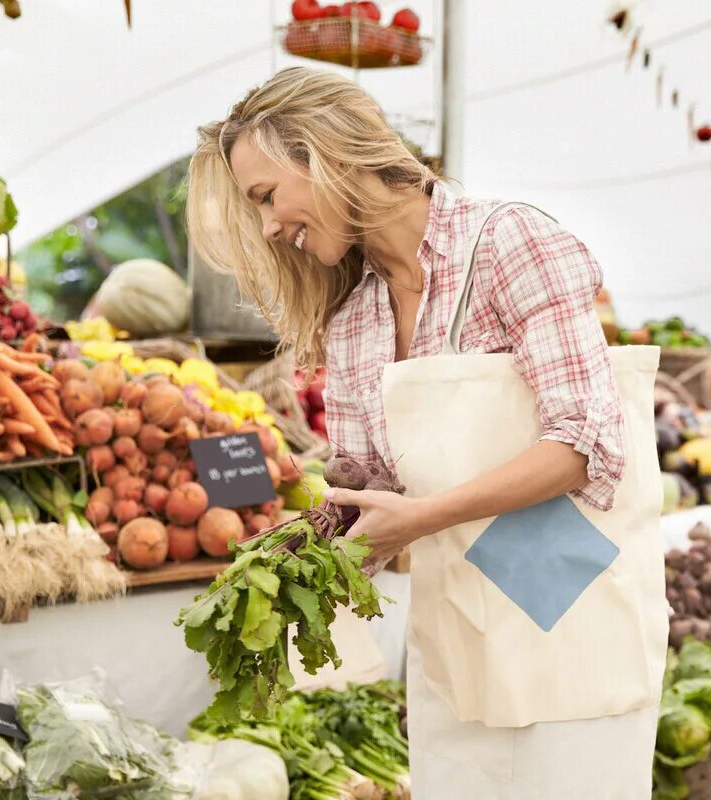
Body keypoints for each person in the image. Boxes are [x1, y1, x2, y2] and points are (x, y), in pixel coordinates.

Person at [186, 67, 666, 799]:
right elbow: (374, 488)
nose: (270, 227)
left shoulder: (510, 242)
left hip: (570, 610)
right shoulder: (354, 319)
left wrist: (422, 518)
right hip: (462, 627)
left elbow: (582, 444)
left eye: (266, 196)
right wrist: (293, 547)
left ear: (323, 155)